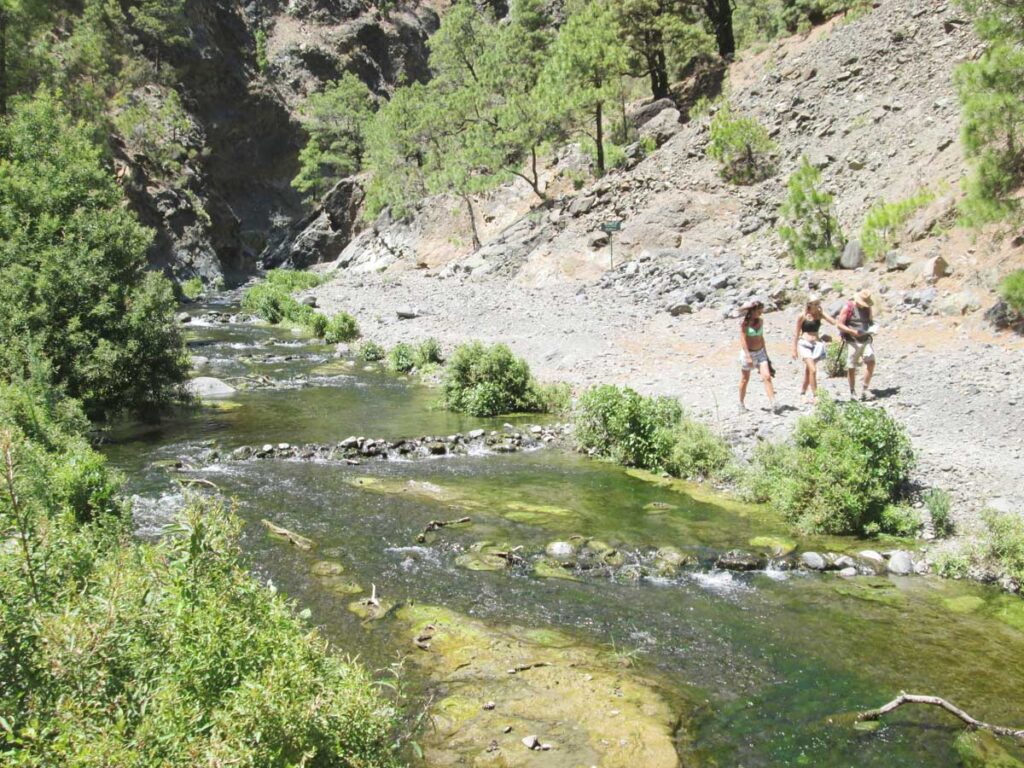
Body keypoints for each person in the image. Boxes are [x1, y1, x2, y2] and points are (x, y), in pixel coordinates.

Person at [791, 295, 837, 405]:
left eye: (818, 304)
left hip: (816, 344)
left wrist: (823, 312)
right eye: (815, 304)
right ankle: (816, 395)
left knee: (809, 371)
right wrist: (794, 349)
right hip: (805, 344)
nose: (817, 306)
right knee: (813, 370)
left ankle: (802, 393)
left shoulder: (819, 315)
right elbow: (796, 333)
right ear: (809, 304)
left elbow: (833, 322)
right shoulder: (802, 316)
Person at [738, 299, 778, 413]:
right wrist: (748, 356)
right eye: (759, 311)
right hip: (748, 353)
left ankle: (773, 403)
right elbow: (743, 340)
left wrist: (766, 355)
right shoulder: (744, 323)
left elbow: (761, 338)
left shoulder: (760, 321)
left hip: (760, 352)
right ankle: (741, 403)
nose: (761, 313)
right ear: (753, 311)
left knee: (767, 376)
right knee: (745, 379)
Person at [837, 289, 876, 400]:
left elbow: (870, 321)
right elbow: (839, 324)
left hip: (865, 339)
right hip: (852, 341)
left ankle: (865, 389)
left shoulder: (868, 308)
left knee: (871, 362)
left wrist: (872, 328)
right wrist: (852, 332)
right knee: (852, 366)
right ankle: (852, 392)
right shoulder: (848, 307)